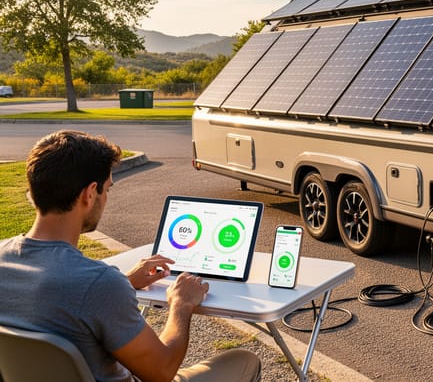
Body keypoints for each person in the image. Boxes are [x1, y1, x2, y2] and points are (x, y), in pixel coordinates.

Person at [0, 130, 261, 382]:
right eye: (108, 189)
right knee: (244, 360)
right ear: (90, 194)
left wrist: (124, 281)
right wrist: (181, 304)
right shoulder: (99, 284)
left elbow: (62, 296)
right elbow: (161, 372)